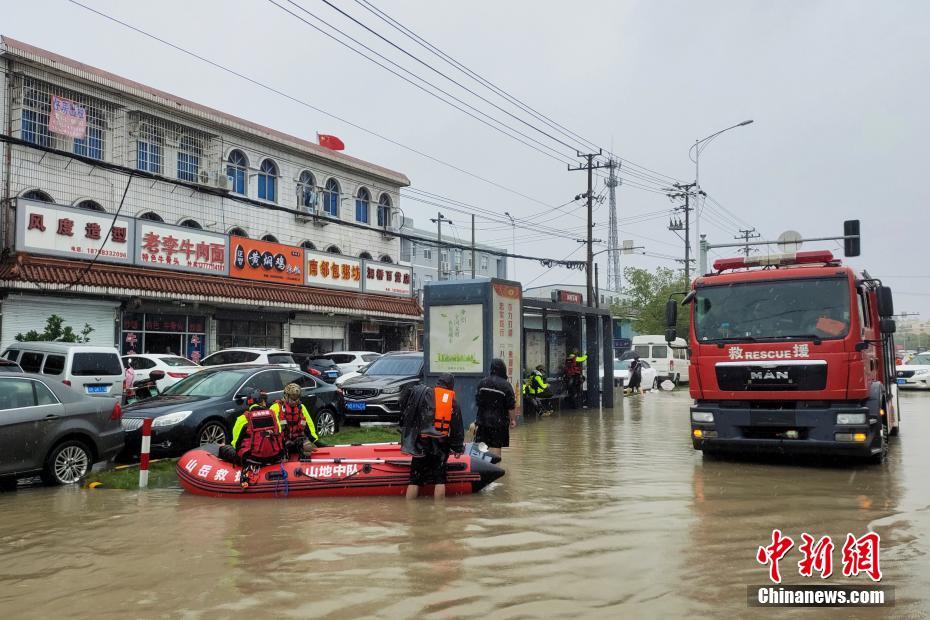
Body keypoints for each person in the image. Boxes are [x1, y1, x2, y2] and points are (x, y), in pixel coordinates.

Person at [402, 374, 465, 500]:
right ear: (451, 386)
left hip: (421, 442)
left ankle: (410, 510)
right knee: (439, 479)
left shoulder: (424, 396)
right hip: (441, 444)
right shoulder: (452, 403)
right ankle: (439, 513)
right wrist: (457, 448)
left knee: (414, 480)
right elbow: (457, 429)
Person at [223, 389, 285, 477]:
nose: (265, 403)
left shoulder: (242, 418)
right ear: (261, 401)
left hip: (252, 458)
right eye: (264, 400)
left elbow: (236, 443)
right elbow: (279, 434)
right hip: (274, 457)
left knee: (225, 448)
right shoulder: (273, 415)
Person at [475, 358, 516, 459]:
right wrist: (513, 420)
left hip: (483, 421)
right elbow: (511, 406)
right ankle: (495, 468)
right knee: (496, 446)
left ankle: (483, 466)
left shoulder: (482, 383)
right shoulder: (506, 385)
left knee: (482, 445)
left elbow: (478, 402)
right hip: (499, 423)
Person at [270, 383, 323, 458]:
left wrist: (315, 440)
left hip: (297, 440)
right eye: (292, 398)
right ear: (286, 396)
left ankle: (304, 464)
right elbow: (273, 427)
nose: (295, 401)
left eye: (297, 398)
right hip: (283, 441)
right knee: (282, 455)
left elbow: (309, 424)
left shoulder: (301, 407)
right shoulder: (275, 407)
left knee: (307, 447)